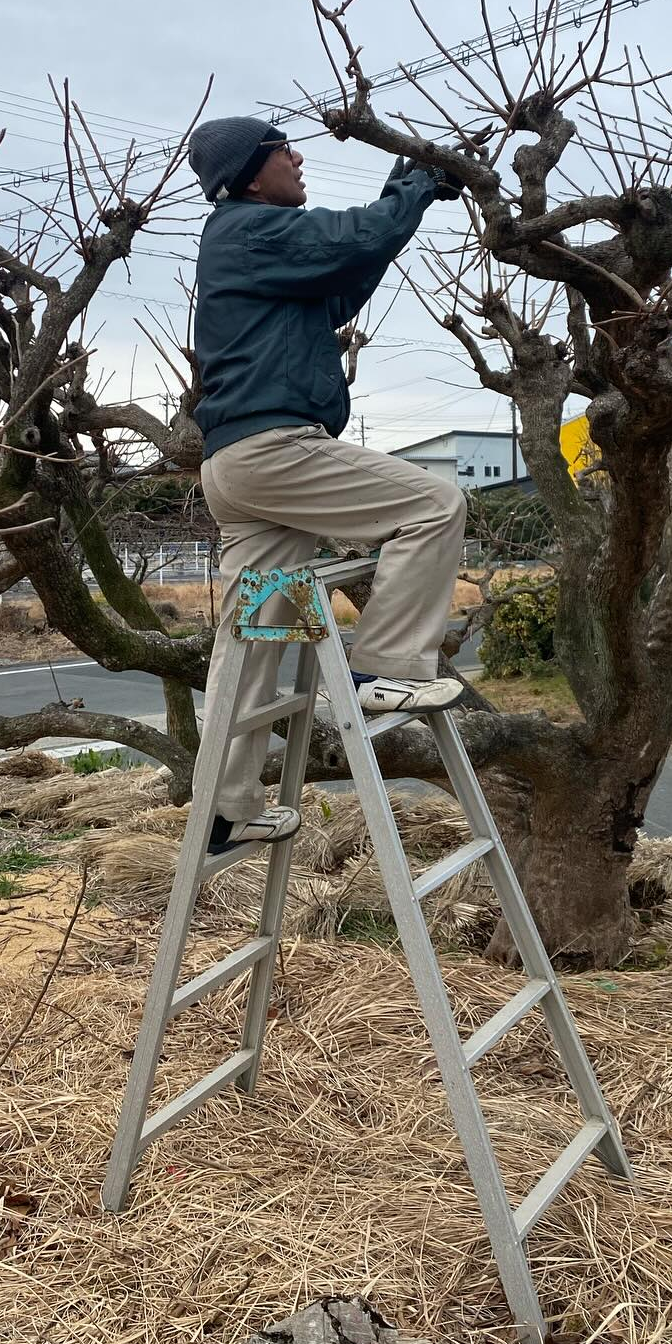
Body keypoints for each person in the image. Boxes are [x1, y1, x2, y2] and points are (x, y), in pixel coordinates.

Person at [188, 115, 469, 850]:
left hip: (242, 471)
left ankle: (227, 807)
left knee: (256, 632)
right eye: (285, 151)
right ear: (253, 173)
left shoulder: (258, 251)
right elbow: (350, 240)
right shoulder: (248, 229)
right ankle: (388, 667)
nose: (298, 157)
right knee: (435, 503)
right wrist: (412, 189)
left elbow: (345, 278)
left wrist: (398, 196)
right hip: (274, 453)